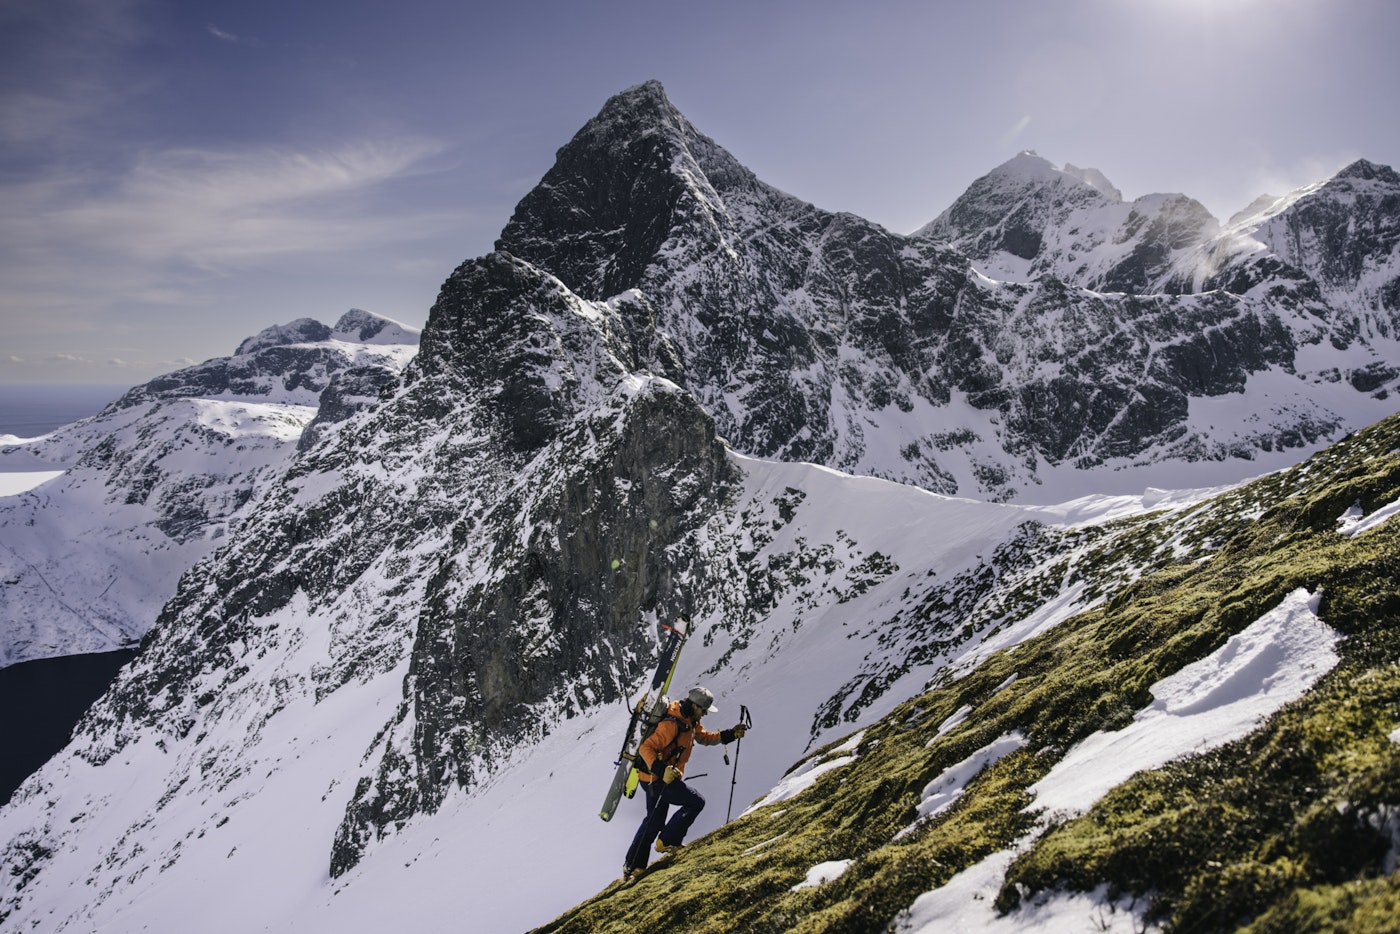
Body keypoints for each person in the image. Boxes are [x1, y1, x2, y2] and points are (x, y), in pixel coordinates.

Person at [623, 686, 748, 879]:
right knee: (696, 801)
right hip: (658, 780)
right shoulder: (673, 724)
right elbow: (646, 748)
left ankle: (633, 866)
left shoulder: (690, 720)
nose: (705, 714)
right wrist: (661, 770)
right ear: (694, 705)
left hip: (653, 779)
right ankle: (667, 841)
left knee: (653, 822)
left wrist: (731, 734)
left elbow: (704, 738)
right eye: (703, 710)